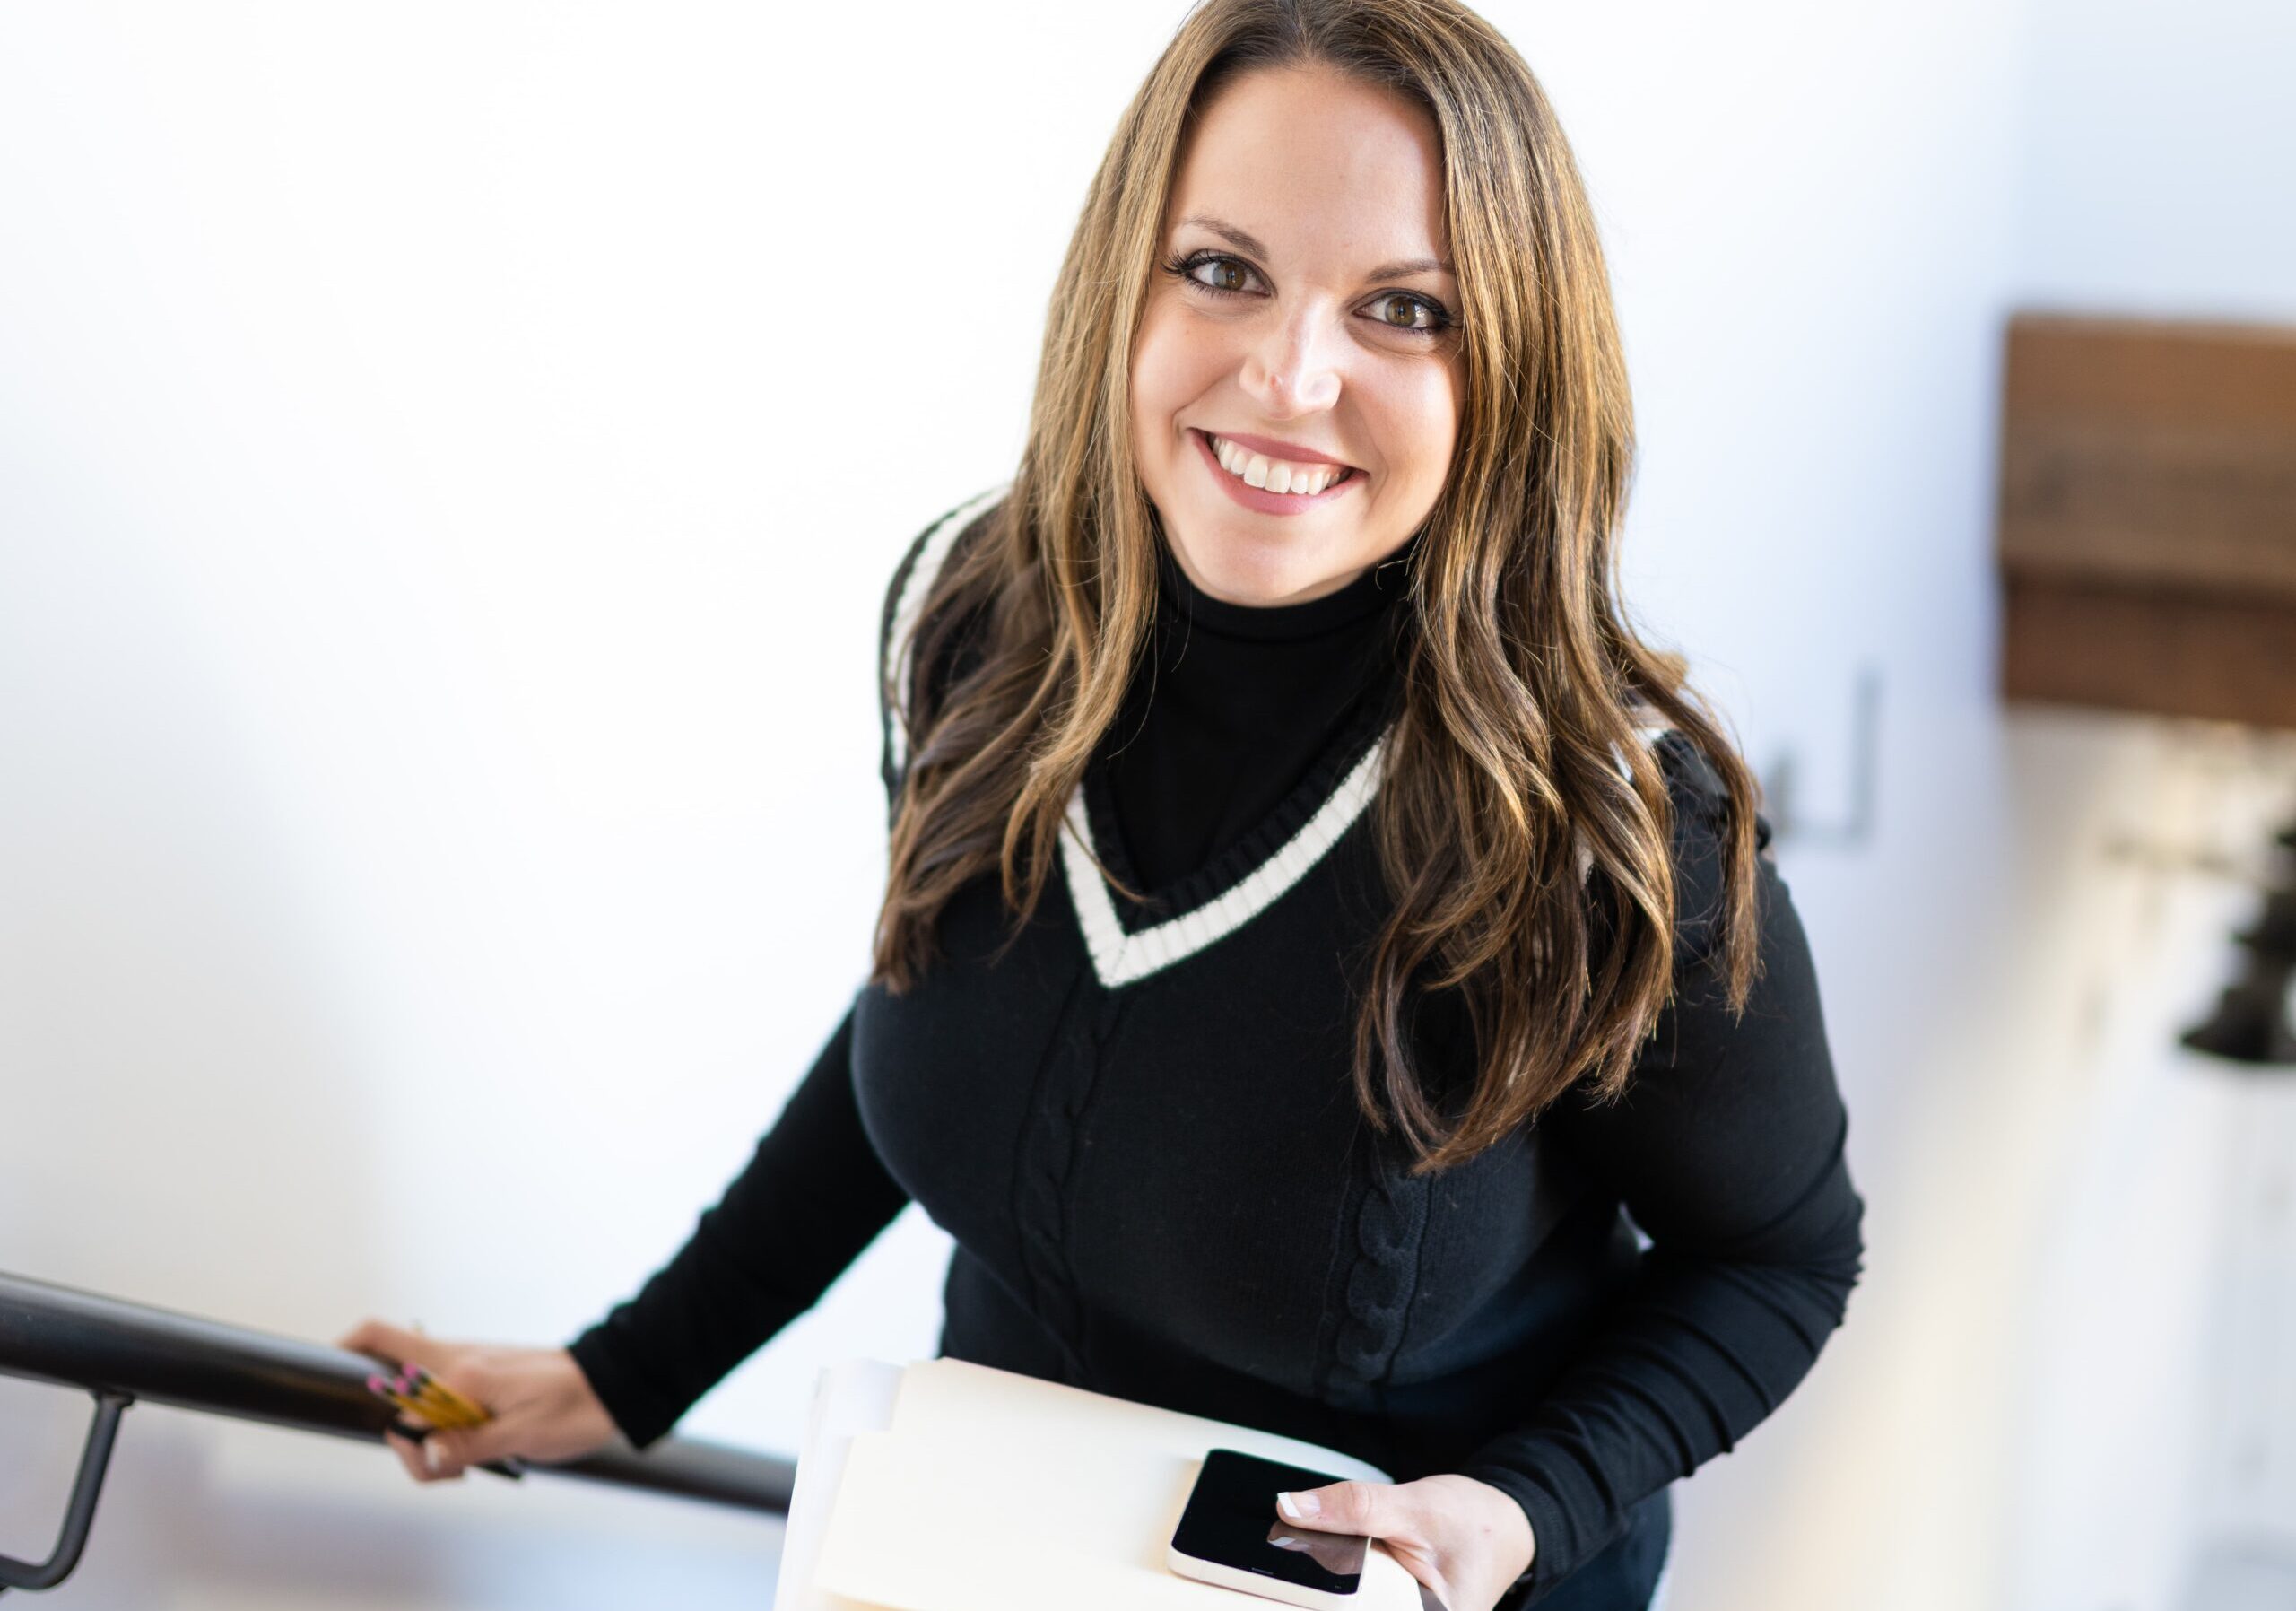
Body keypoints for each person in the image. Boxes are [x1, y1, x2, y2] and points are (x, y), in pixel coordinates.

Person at [340, 2, 1867, 1607]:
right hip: (978, 1554)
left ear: (1516, 369)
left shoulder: (1597, 819)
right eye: (1224, 269)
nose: (1289, 374)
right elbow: (942, 1012)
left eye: (1406, 309)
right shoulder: (974, 614)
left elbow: (1777, 1257)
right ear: (1121, 281)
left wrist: (1520, 1508)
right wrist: (620, 1376)